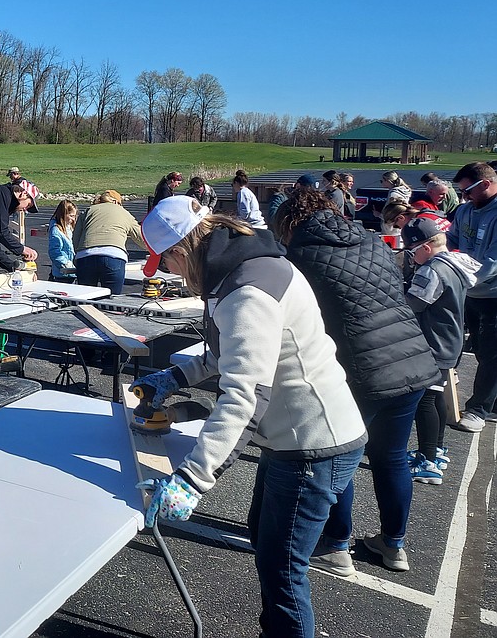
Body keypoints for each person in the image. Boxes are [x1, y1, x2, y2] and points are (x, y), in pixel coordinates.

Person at [132, 195, 366, 637]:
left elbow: (243, 394)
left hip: (312, 442)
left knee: (282, 571)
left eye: (167, 264)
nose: (170, 275)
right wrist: (177, 375)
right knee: (265, 541)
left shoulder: (246, 291)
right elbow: (240, 354)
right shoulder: (243, 265)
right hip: (299, 435)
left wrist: (192, 479)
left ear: (182, 251)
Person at [274, 188, 441, 576]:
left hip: (362, 369)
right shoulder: (371, 241)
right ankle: (394, 544)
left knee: (338, 453)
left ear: (288, 224)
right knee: (393, 457)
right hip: (411, 359)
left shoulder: (300, 257)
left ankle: (336, 545)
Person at [402, 218, 479, 484]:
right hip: (450, 341)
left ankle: (427, 461)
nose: (410, 257)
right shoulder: (454, 264)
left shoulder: (432, 271)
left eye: (411, 251)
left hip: (432, 343)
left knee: (423, 401)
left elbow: (413, 305)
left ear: (424, 247)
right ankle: (435, 450)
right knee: (436, 396)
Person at [446, 162, 497, 432]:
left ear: (486, 184)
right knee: (476, 348)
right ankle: (493, 399)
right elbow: (451, 239)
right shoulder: (465, 210)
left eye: (468, 191)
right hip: (468, 292)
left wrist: (464, 275)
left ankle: (479, 409)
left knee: (491, 354)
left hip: (493, 294)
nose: (464, 197)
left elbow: (493, 260)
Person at [72, 190, 145, 295]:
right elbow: (141, 238)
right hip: (113, 256)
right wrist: (158, 252)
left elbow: (76, 238)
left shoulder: (89, 210)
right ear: (116, 202)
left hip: (86, 256)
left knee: (85, 298)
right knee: (111, 301)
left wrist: (77, 259)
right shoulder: (124, 213)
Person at [48, 200, 77, 283]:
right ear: (63, 215)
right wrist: (66, 264)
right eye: (71, 216)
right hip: (62, 273)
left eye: (74, 216)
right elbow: (54, 252)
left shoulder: (69, 228)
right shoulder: (56, 231)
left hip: (71, 272)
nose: (73, 219)